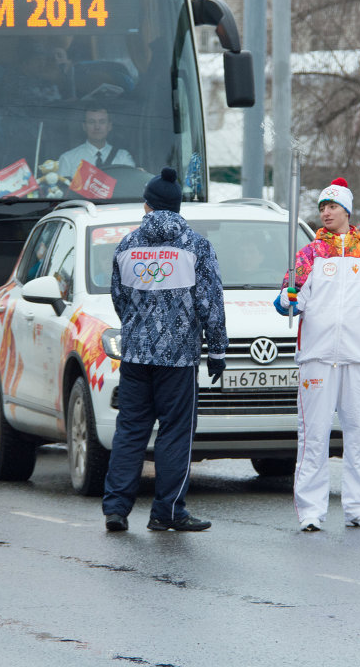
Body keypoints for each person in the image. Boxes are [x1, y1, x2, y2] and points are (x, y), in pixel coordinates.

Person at [275, 177, 360, 532]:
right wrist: (287, 299)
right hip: (317, 357)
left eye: (332, 206)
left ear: (347, 210)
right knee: (313, 435)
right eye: (321, 207)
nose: (326, 212)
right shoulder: (310, 254)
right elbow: (292, 300)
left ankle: (359, 507)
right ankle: (311, 511)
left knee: (359, 437)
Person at [102, 167, 228, 533]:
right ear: (178, 206)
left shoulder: (126, 246)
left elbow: (119, 299)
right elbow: (211, 303)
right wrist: (217, 349)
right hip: (178, 359)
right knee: (175, 432)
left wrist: (138, 329)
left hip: (136, 356)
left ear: (147, 206)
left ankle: (116, 509)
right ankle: (168, 512)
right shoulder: (196, 246)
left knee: (130, 429)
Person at [57, 102, 135, 180]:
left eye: (102, 122)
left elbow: (131, 187)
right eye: (91, 122)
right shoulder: (68, 159)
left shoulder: (123, 158)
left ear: (109, 126)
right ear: (84, 126)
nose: (97, 127)